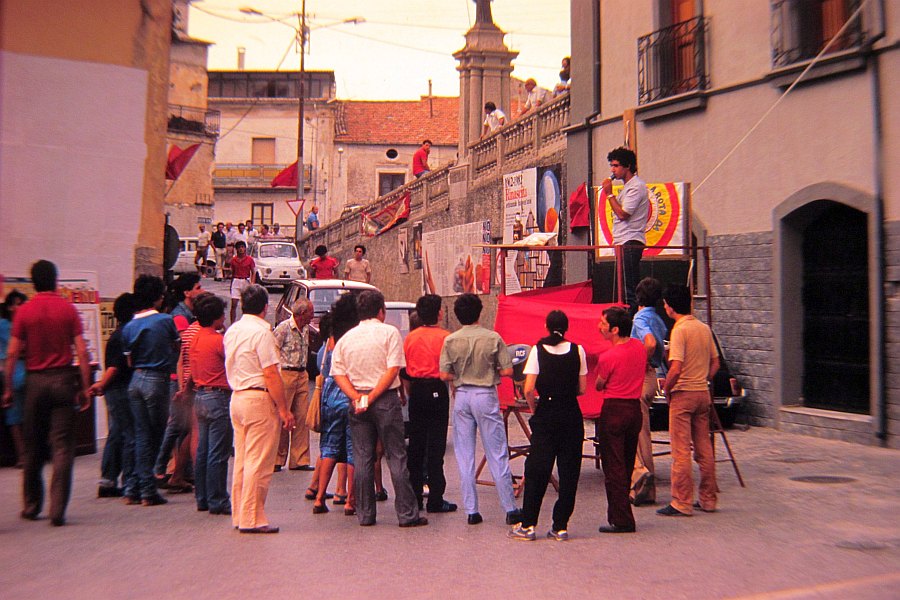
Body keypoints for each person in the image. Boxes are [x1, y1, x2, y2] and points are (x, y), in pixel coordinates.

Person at [3, 260, 92, 526]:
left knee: (32, 446)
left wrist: (8, 388)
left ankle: (32, 505)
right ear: (55, 280)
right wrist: (85, 386)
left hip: (35, 381)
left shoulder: (25, 312)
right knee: (62, 446)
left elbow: (11, 354)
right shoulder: (67, 309)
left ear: (34, 282)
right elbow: (82, 351)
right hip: (63, 379)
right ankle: (57, 509)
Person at [331, 290, 427, 528]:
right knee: (396, 455)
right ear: (381, 311)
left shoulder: (347, 338)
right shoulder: (389, 333)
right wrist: (374, 396)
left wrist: (357, 397)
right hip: (384, 399)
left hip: (357, 401)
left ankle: (365, 514)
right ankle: (406, 513)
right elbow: (393, 368)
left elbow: (338, 374)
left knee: (363, 457)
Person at [440, 293, 522, 527]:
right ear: (479, 312)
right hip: (486, 395)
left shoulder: (450, 340)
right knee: (496, 452)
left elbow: (444, 374)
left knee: (465, 455)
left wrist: (461, 377)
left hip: (462, 396)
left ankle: (472, 511)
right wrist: (490, 371)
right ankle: (509, 507)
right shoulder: (493, 338)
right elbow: (507, 372)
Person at [508, 310, 587, 542]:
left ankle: (529, 524)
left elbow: (529, 388)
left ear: (546, 326)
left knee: (537, 470)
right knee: (569, 472)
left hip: (547, 415)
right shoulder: (578, 350)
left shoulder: (537, 351)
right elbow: (582, 389)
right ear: (567, 328)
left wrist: (535, 407)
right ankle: (560, 526)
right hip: (571, 414)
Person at [224, 284, 295, 533]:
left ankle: (240, 513)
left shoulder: (233, 331)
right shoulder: (262, 333)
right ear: (265, 308)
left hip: (238, 397)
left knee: (243, 459)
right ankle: (253, 517)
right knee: (259, 462)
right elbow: (271, 374)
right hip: (258, 398)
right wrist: (284, 410)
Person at [657, 284, 719, 517]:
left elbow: (676, 368)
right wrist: (703, 378)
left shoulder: (679, 331)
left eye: (665, 304)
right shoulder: (704, 329)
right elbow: (716, 363)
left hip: (683, 394)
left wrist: (668, 389)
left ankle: (681, 501)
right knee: (704, 449)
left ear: (671, 307)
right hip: (702, 392)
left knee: (680, 450)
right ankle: (708, 499)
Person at [122, 275, 180, 507]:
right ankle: (147, 489)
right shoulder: (165, 321)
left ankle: (132, 486)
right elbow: (176, 347)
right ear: (158, 297)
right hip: (157, 378)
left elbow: (129, 361)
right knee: (154, 436)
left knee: (139, 434)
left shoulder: (129, 326)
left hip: (136, 378)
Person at [403, 294, 456, 513]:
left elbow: (404, 372)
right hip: (437, 389)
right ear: (440, 313)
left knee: (416, 446)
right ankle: (435, 498)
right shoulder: (446, 338)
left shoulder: (410, 338)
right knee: (436, 447)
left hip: (416, 391)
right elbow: (451, 370)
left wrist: (409, 393)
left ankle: (415, 496)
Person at [595, 306, 646, 533]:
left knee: (613, 467)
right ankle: (622, 512)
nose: (600, 327)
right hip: (634, 409)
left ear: (614, 330)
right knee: (625, 463)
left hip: (614, 408)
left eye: (603, 324)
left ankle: (621, 517)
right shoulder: (639, 348)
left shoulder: (608, 357)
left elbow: (599, 384)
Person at [312, 296, 359, 516]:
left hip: (330, 394)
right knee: (352, 448)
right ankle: (350, 499)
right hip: (349, 391)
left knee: (329, 446)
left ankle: (320, 497)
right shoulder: (356, 337)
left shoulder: (332, 337)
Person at [189, 294, 233, 516]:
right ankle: (218, 499)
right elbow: (231, 364)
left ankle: (203, 497)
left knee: (204, 450)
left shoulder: (196, 338)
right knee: (218, 451)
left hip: (200, 395)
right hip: (217, 396)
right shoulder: (218, 340)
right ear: (217, 318)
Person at [89, 293, 136, 499]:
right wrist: (101, 384)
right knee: (128, 435)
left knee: (117, 433)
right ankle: (128, 480)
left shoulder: (118, 334)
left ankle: (108, 480)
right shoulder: (124, 335)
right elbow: (115, 367)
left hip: (114, 389)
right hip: (119, 389)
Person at [629, 277, 668, 506]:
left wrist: (640, 361)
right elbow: (660, 348)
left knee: (636, 432)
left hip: (642, 375)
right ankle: (647, 489)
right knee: (643, 431)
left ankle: (640, 474)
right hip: (653, 375)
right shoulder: (658, 319)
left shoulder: (641, 317)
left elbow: (651, 343)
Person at [601, 146, 648, 311]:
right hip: (623, 241)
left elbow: (623, 214)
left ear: (627, 166)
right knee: (624, 287)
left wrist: (609, 194)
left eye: (616, 165)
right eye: (612, 166)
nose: (613, 170)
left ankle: (632, 321)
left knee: (629, 289)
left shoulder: (636, 186)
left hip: (630, 240)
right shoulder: (628, 187)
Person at [273, 298, 315, 472]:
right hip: (286, 373)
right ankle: (277, 458)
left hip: (301, 373)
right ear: (302, 313)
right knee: (283, 417)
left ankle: (299, 458)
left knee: (302, 417)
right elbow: (273, 350)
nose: (312, 317)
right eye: (310, 313)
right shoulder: (283, 328)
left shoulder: (305, 329)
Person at [0, 290, 28, 468]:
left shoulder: (26, 323)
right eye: (17, 303)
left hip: (26, 368)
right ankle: (22, 454)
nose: (20, 307)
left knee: (28, 413)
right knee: (14, 414)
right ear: (10, 306)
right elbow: (16, 349)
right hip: (13, 369)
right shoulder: (4, 325)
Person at [229, 241, 255, 325]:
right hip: (236, 281)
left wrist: (252, 283)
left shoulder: (249, 259)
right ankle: (232, 323)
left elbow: (253, 271)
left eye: (242, 247)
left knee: (245, 304)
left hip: (245, 281)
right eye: (239, 247)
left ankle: (245, 323)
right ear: (236, 249)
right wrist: (231, 285)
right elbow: (232, 273)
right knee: (233, 304)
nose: (241, 249)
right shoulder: (233, 260)